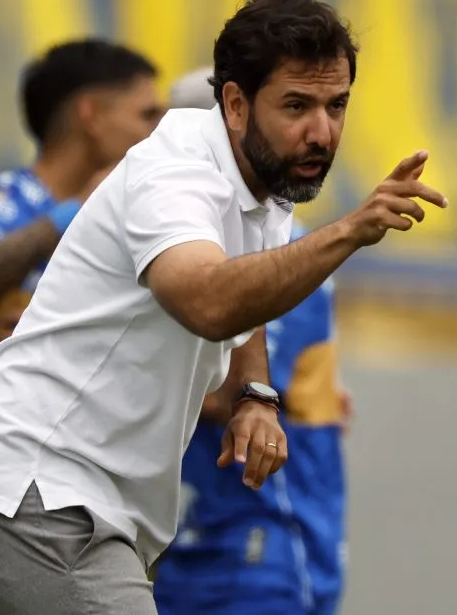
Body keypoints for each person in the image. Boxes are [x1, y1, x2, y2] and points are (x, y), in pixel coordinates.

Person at [0, 0, 446, 615]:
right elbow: (206, 300)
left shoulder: (268, 181)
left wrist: (255, 394)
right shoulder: (174, 175)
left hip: (83, 510)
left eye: (336, 104)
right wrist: (348, 230)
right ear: (234, 104)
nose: (322, 131)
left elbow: (245, 288)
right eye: (297, 106)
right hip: (36, 501)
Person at [0, 38, 162, 615]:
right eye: (146, 114)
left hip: (51, 512)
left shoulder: (129, 234)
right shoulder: (6, 203)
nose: (157, 132)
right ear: (91, 114)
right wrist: (70, 215)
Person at [153, 70, 353, 615]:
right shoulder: (202, 234)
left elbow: (230, 394)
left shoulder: (277, 255)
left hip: (259, 535)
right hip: (203, 535)